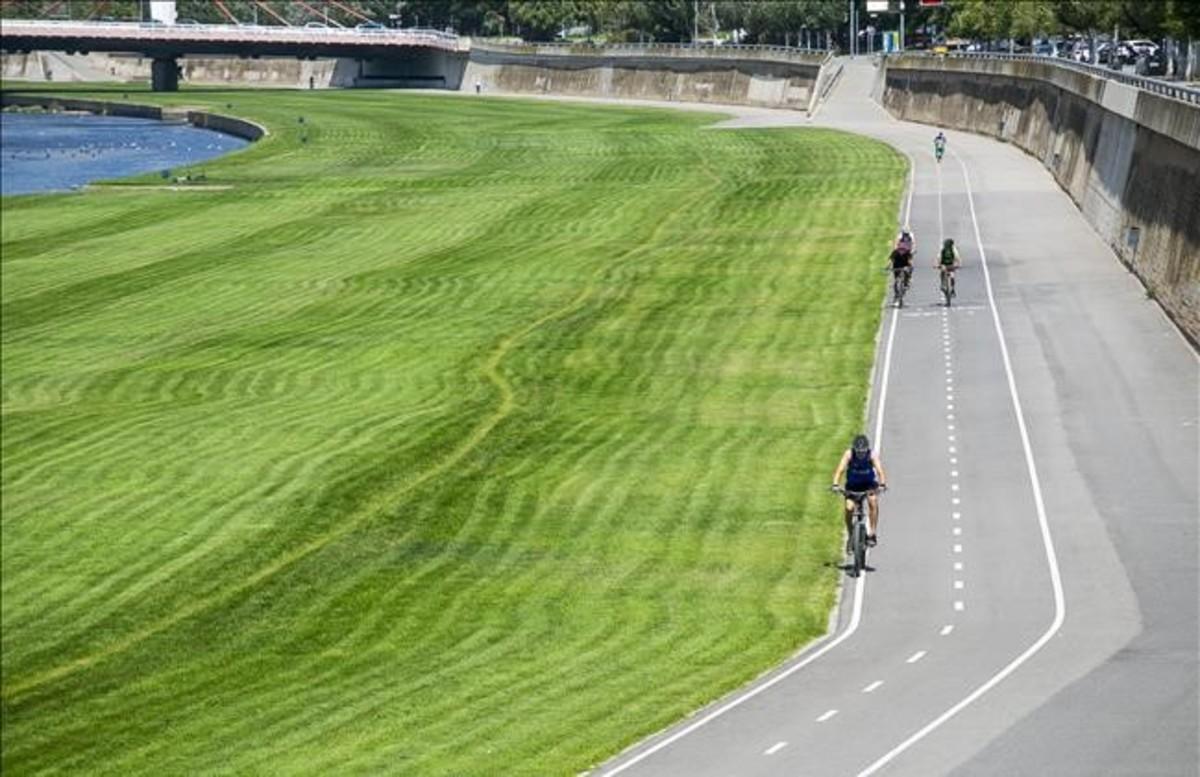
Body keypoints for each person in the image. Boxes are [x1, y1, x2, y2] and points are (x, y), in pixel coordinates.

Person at [832, 434, 887, 549]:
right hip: (852, 486)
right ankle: (851, 534)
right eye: (859, 452)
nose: (861, 454)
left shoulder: (872, 455)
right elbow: (840, 469)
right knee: (849, 508)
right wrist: (835, 484)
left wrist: (882, 484)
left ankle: (872, 533)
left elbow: (880, 470)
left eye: (863, 452)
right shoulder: (849, 454)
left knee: (873, 500)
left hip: (868, 485)